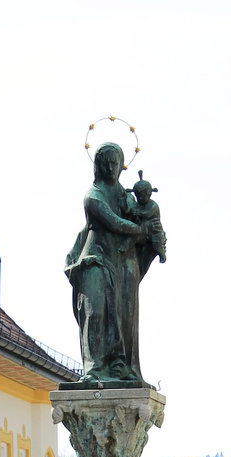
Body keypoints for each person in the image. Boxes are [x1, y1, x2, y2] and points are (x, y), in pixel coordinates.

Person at [64, 142, 161, 387]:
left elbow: (142, 212)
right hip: (95, 259)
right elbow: (113, 222)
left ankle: (122, 367)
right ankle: (95, 368)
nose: (110, 167)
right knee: (95, 312)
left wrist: (151, 223)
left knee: (124, 316)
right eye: (105, 163)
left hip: (121, 262)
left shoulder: (125, 196)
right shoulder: (93, 195)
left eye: (114, 163)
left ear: (120, 167)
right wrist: (141, 229)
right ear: (97, 165)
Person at [129, 171, 167, 263]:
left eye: (142, 196)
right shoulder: (135, 205)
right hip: (141, 228)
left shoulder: (153, 205)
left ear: (149, 193)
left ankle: (161, 254)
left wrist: (138, 213)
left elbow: (148, 214)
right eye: (138, 196)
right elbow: (131, 212)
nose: (140, 198)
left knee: (157, 242)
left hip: (154, 229)